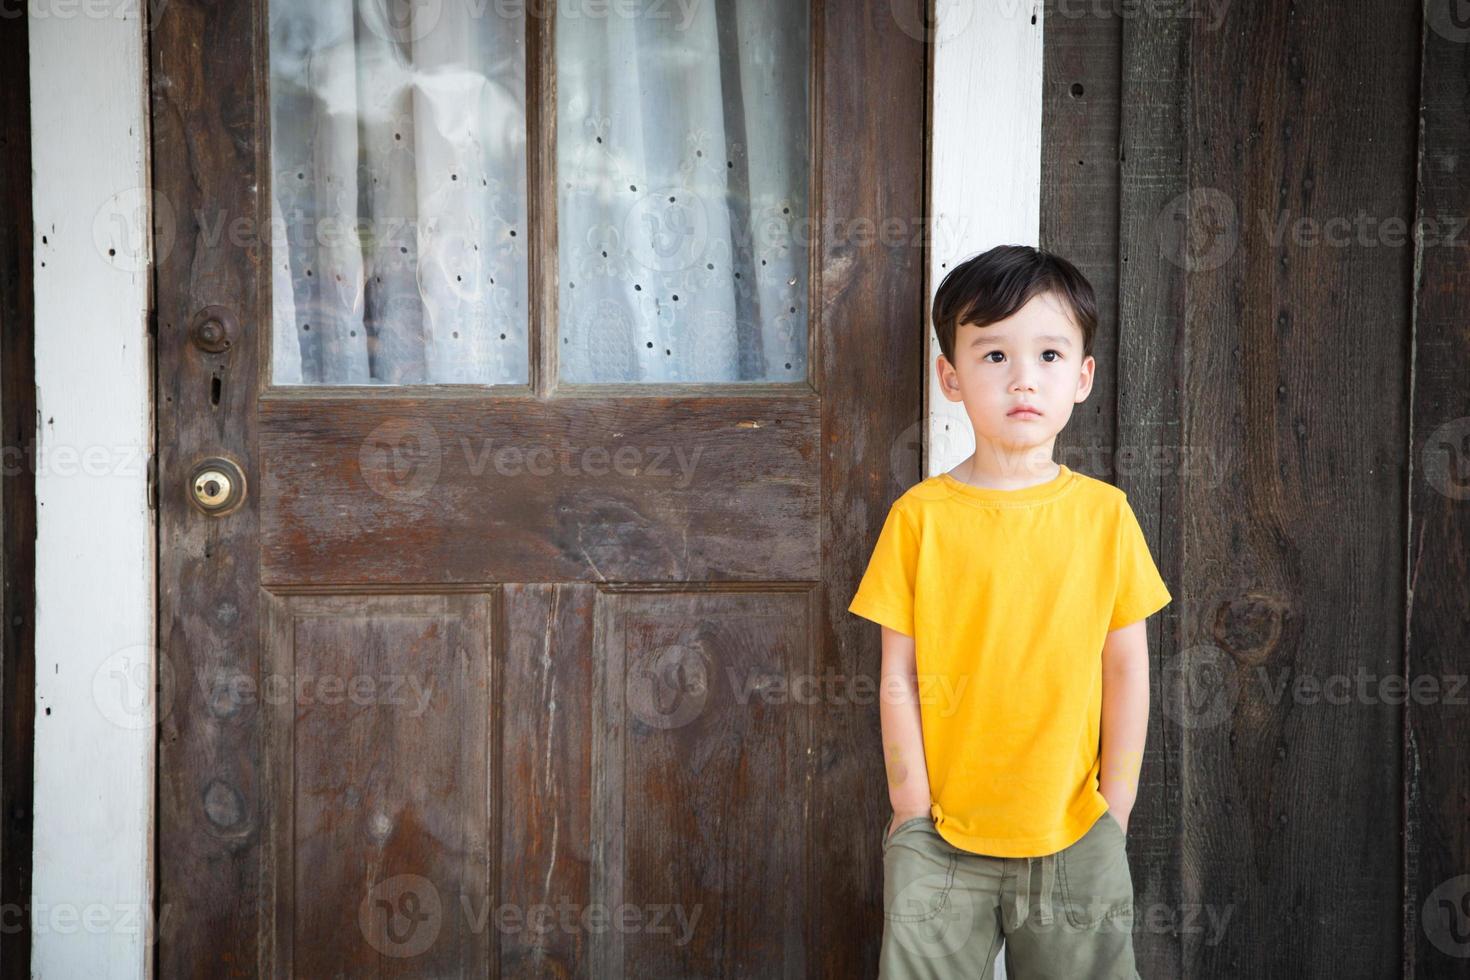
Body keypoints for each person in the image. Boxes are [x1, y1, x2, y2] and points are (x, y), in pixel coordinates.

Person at [848, 244, 1172, 978]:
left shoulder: (1105, 516)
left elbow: (1126, 669)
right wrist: (911, 809)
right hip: (940, 837)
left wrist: (1113, 811)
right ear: (951, 377)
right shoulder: (920, 517)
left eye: (1050, 354)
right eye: (993, 355)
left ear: (1082, 377)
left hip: (1075, 831)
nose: (1023, 378)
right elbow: (897, 674)